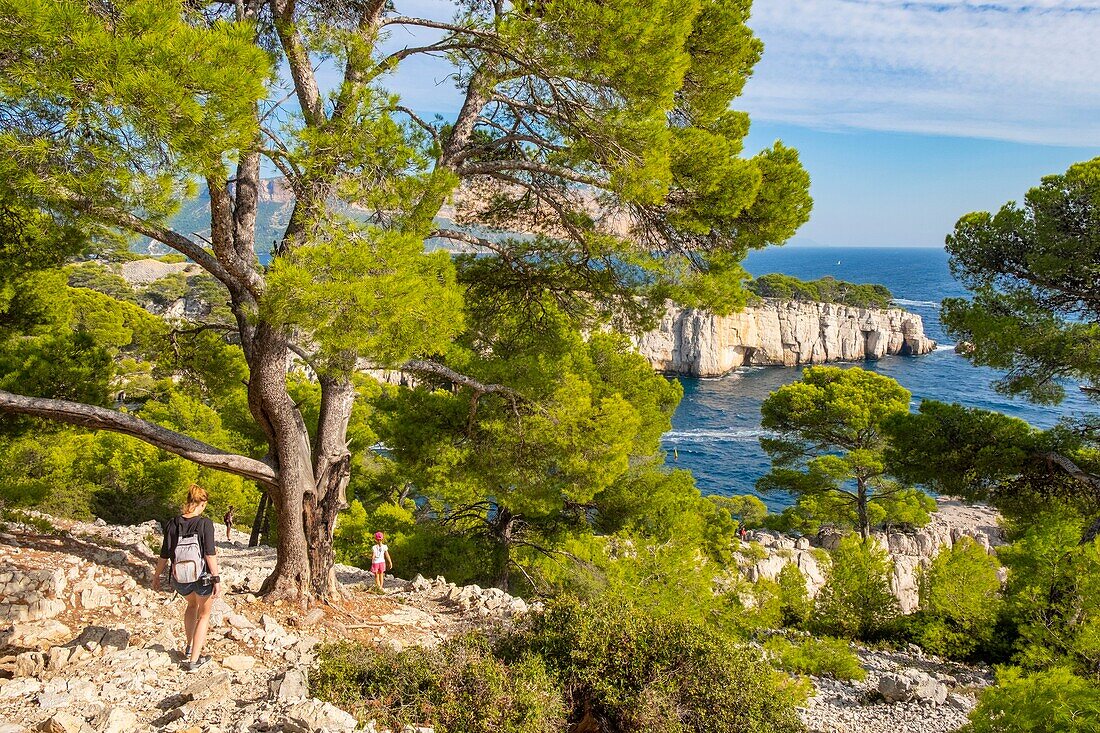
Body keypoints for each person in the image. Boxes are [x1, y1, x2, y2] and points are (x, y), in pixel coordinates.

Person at [153, 484, 222, 671]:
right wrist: (216, 578)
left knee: (191, 605)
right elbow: (209, 553)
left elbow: (165, 553)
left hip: (180, 579)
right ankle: (194, 660)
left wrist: (157, 575)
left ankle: (190, 645)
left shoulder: (172, 523)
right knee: (204, 614)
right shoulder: (204, 523)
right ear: (202, 503)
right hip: (202, 577)